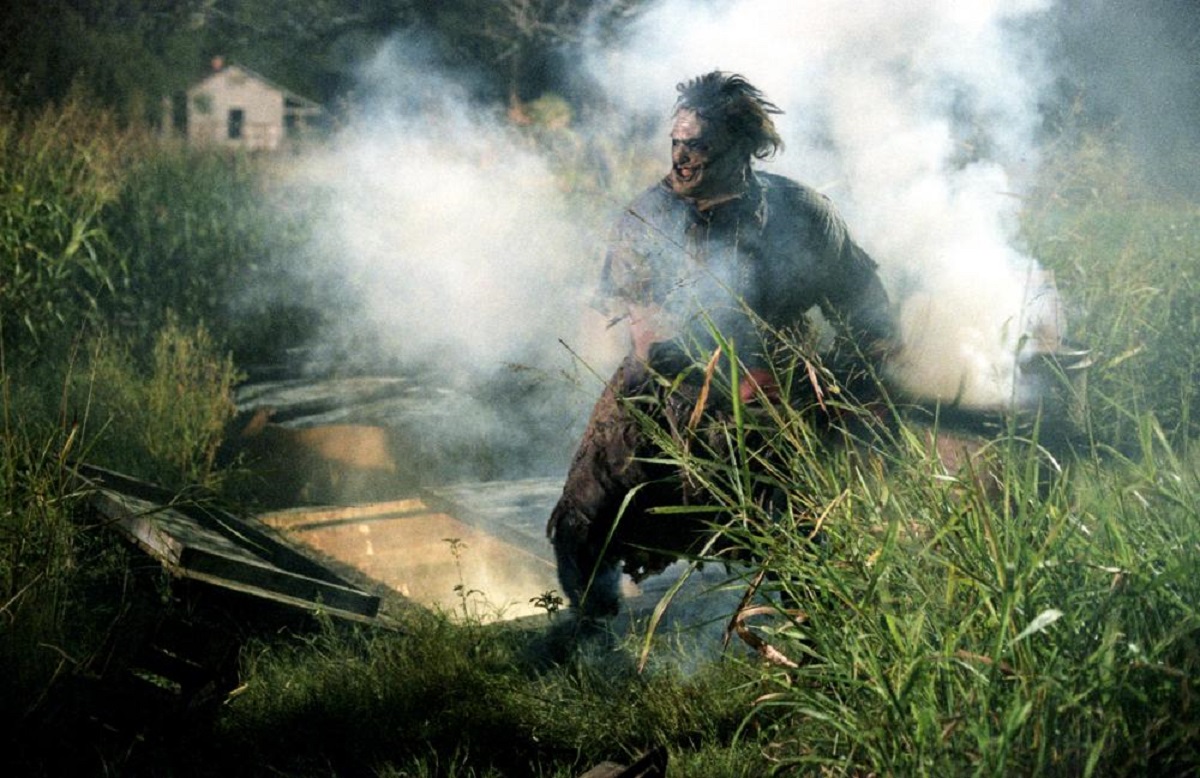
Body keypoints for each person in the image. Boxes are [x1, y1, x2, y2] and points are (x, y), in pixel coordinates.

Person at [547, 71, 896, 617]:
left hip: (781, 393)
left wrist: (849, 392)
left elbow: (867, 310)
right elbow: (645, 331)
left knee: (804, 537)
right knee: (582, 522)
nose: (681, 160)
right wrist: (704, 371)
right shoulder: (648, 215)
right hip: (661, 393)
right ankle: (591, 634)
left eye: (699, 146)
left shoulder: (802, 213)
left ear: (743, 150)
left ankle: (823, 648)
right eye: (676, 144)